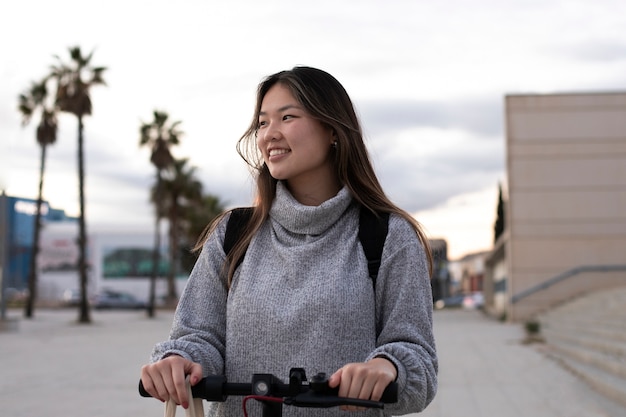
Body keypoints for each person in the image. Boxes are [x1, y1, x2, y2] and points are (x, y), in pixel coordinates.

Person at [140, 66, 438, 416]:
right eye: (263, 122)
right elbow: (198, 337)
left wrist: (388, 367)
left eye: (287, 117)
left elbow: (418, 362)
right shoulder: (233, 233)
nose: (269, 134)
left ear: (333, 130)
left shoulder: (389, 236)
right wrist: (179, 361)